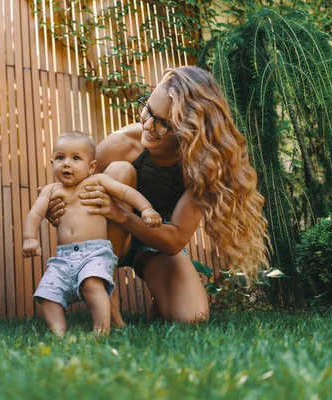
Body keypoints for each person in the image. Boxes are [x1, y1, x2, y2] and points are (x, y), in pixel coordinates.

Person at [46, 66, 270, 327]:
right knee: (119, 171)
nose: (148, 125)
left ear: (190, 130)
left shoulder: (200, 166)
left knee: (192, 317)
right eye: (149, 110)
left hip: (155, 239)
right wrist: (54, 208)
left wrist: (122, 215)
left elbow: (174, 239)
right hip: (104, 241)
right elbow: (72, 192)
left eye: (163, 123)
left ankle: (161, 294)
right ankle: (109, 297)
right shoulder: (123, 143)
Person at [23, 131, 162, 336]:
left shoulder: (97, 181)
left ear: (91, 167)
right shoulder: (51, 191)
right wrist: (30, 238)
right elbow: (35, 213)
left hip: (94, 253)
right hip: (63, 257)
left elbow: (125, 193)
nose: (66, 164)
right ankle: (59, 334)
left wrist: (147, 209)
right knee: (47, 294)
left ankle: (101, 330)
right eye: (60, 158)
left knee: (92, 285)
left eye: (76, 158)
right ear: (52, 162)